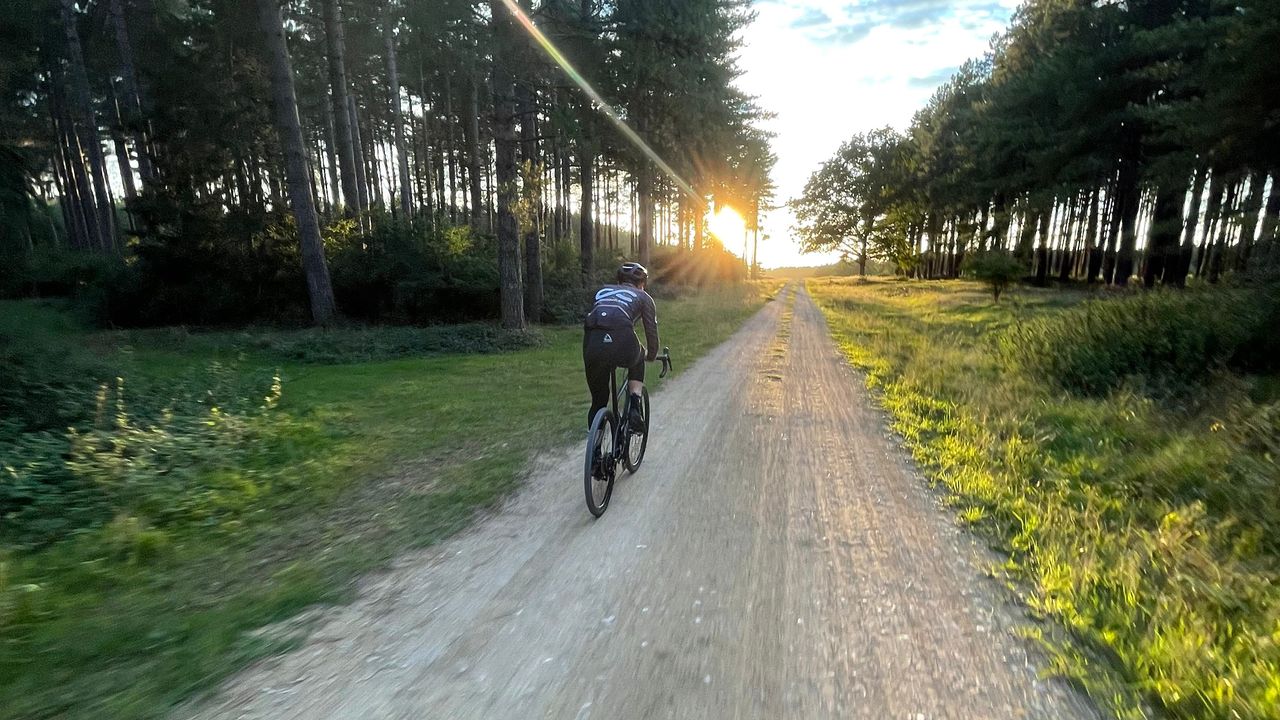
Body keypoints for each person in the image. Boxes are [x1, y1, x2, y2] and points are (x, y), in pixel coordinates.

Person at [583, 261, 660, 436]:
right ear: (642, 284)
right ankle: (634, 405)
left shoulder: (601, 291)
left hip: (592, 343)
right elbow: (651, 335)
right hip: (622, 338)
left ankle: (595, 449)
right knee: (639, 355)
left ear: (619, 281)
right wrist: (651, 355)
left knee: (598, 400)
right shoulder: (644, 297)